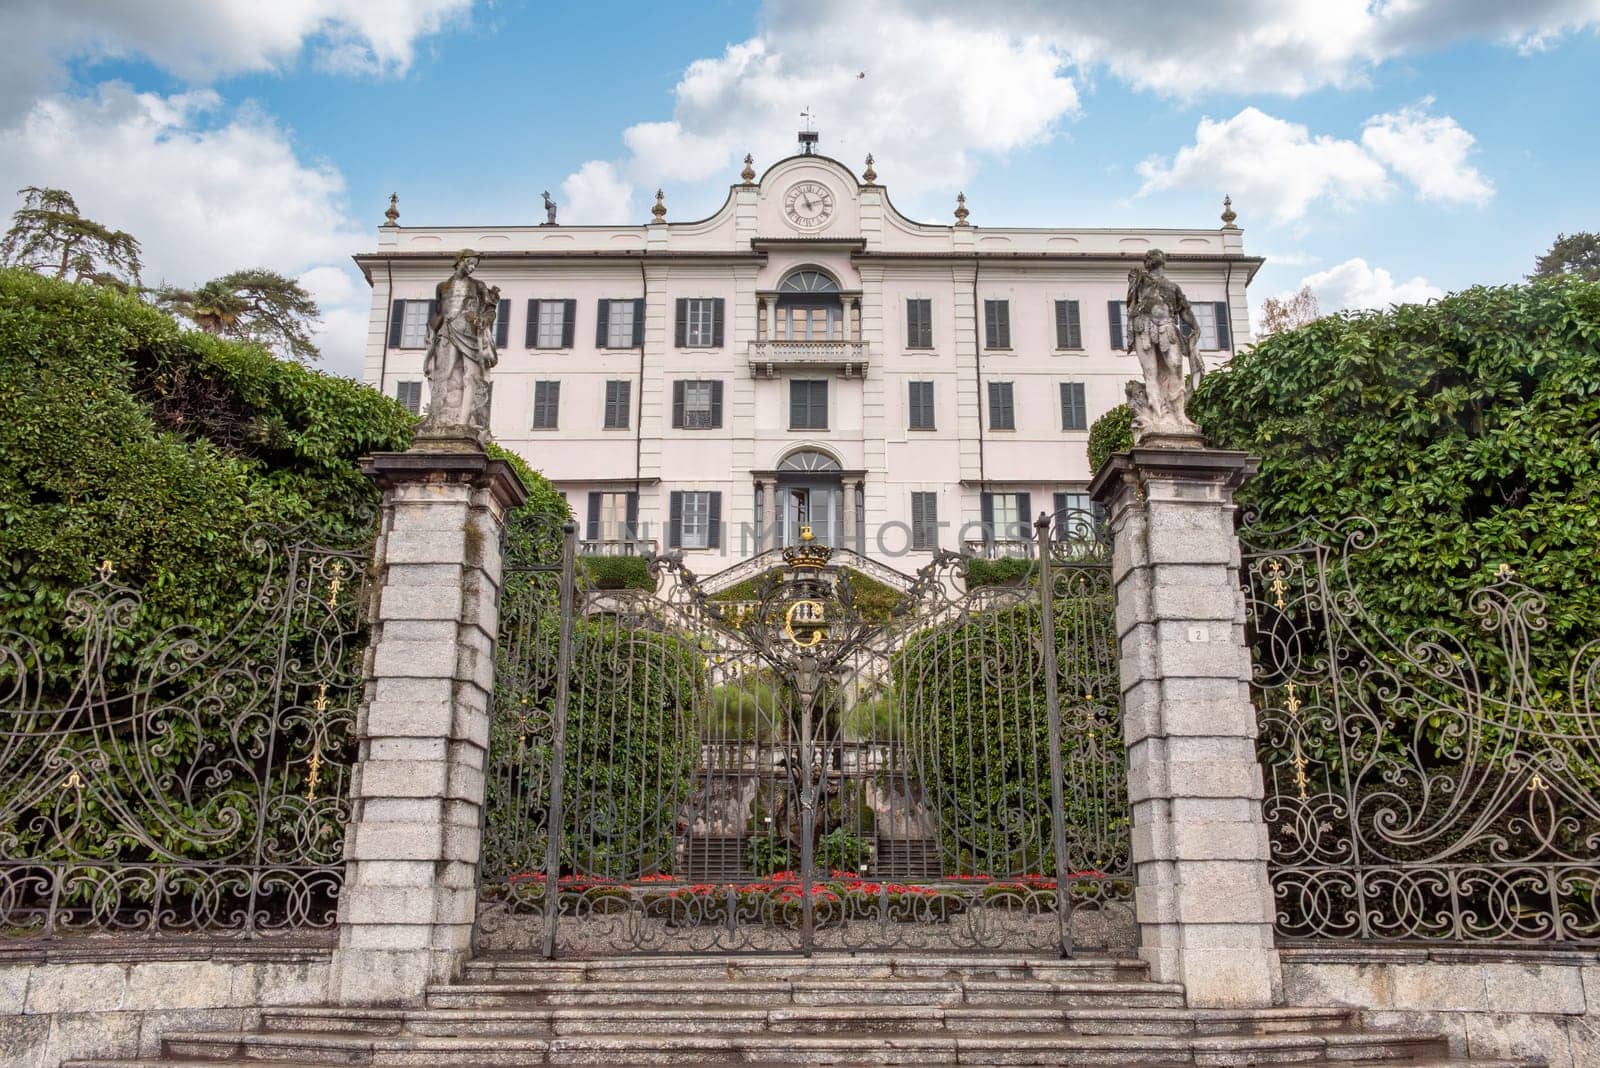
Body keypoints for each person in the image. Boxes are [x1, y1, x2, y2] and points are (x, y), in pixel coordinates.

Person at [421, 250, 498, 434]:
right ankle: (438, 419)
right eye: (470, 263)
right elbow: (439, 312)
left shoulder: (478, 285)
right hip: (446, 331)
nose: (472, 267)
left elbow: (489, 311)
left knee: (471, 375)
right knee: (444, 374)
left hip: (470, 333)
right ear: (460, 261)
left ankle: (464, 422)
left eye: (475, 265)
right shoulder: (442, 287)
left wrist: (484, 320)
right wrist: (431, 332)